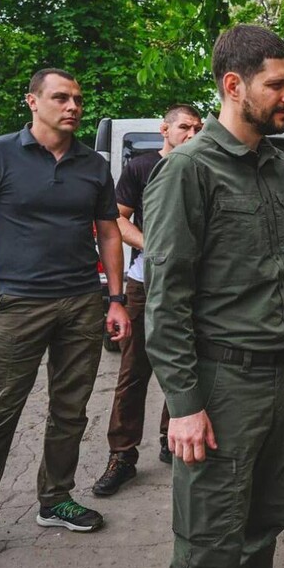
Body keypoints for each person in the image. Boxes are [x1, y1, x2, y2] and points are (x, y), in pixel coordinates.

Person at [0, 69, 131, 568]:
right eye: (61, 97)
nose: (73, 106)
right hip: (19, 304)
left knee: (70, 410)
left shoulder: (92, 164)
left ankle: (55, 498)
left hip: (81, 302)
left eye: (78, 98)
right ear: (33, 102)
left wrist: (115, 299)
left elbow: (109, 233)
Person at [142, 25, 284, 568]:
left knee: (265, 524)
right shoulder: (188, 169)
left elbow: (281, 272)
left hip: (277, 381)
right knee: (210, 545)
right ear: (234, 85)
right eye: (276, 85)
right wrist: (184, 404)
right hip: (221, 386)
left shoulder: (280, 165)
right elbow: (166, 298)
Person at [91, 104, 203, 497]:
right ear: (165, 130)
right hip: (144, 283)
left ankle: (172, 439)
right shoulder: (141, 167)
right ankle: (122, 456)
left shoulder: (203, 168)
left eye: (198, 128)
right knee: (134, 369)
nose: (192, 134)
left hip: (192, 285)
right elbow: (116, 220)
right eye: (184, 127)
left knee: (187, 362)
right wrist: (152, 247)